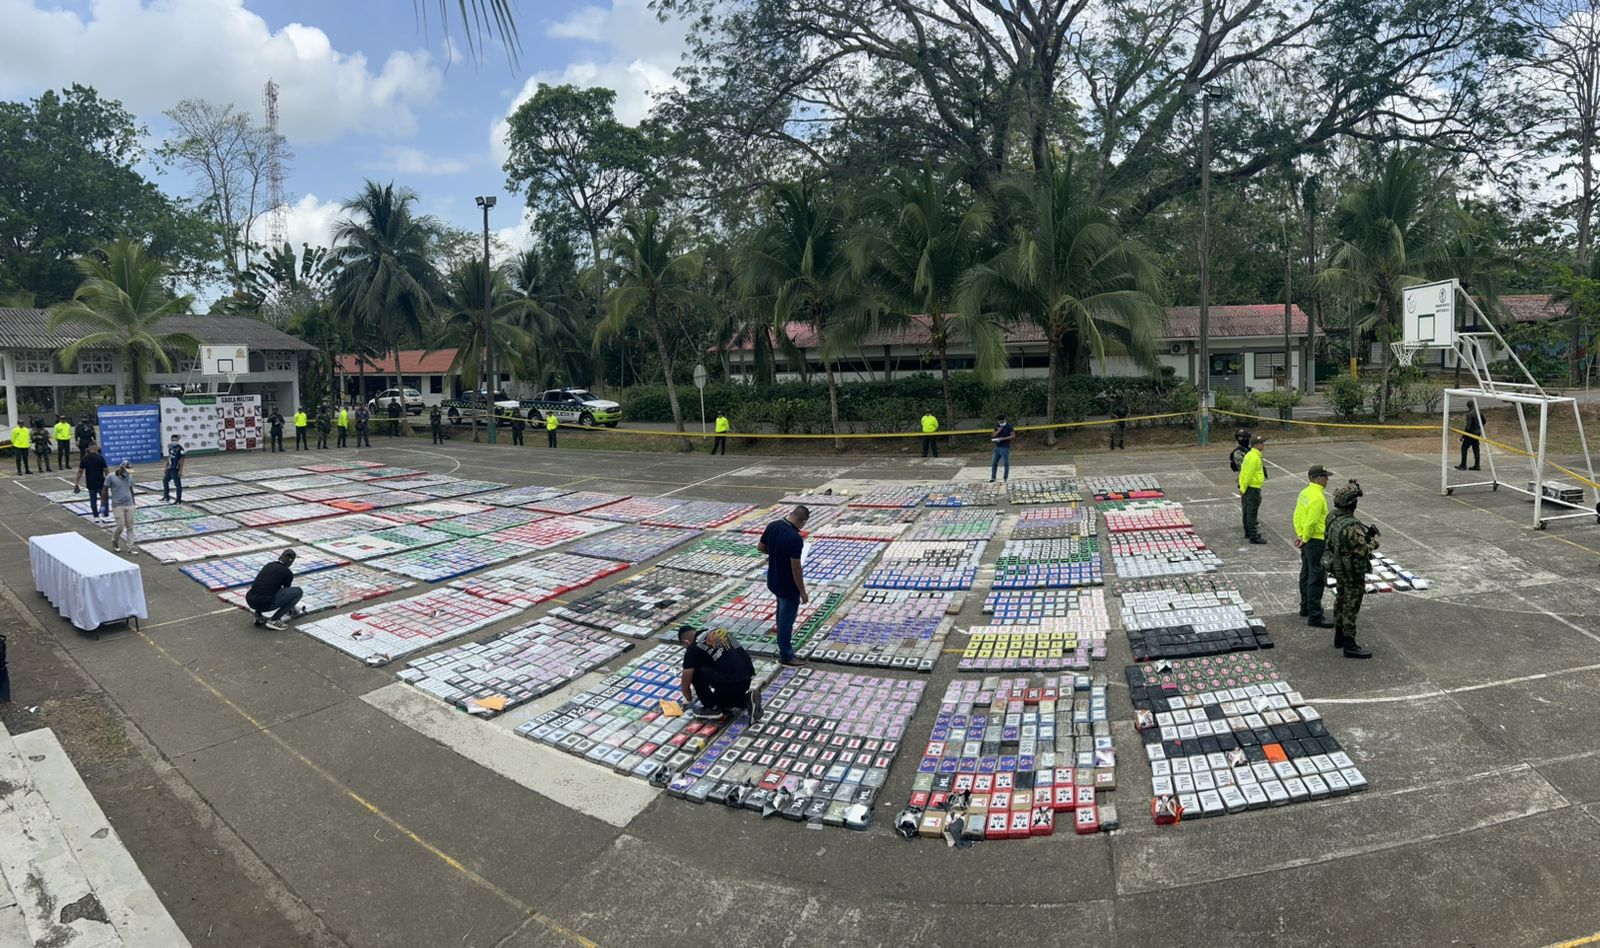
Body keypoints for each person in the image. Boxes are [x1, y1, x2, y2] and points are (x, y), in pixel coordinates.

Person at [1323, 481, 1379, 659]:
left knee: (1340, 598)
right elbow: (1362, 550)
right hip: (1352, 571)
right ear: (1352, 504)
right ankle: (1349, 644)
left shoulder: (1331, 517)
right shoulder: (1352, 526)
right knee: (1351, 605)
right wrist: (1373, 543)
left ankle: (1339, 636)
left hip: (1337, 566)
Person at [757, 505, 811, 667]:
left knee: (781, 615)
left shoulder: (773, 525)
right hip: (787, 586)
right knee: (786, 622)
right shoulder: (795, 538)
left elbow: (760, 547)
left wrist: (776, 554)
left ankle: (782, 645)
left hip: (773, 580)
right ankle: (786, 656)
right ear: (803, 521)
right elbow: (795, 568)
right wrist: (802, 592)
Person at [676, 625, 761, 723]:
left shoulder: (693, 648)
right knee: (720, 700)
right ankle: (747, 700)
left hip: (731, 681)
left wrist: (688, 698)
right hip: (747, 676)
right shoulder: (716, 630)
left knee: (694, 672)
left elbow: (686, 681)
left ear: (686, 643)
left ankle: (711, 708)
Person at [1294, 465, 1335, 630]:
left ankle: (1305, 607)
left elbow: (1297, 515)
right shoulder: (1318, 497)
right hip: (1316, 540)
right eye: (1325, 476)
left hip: (1306, 539)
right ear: (1318, 478)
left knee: (1306, 574)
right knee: (1317, 578)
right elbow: (1312, 521)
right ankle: (1315, 615)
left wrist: (1300, 535)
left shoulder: (1304, 492)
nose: (1327, 479)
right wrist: (1306, 537)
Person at [245, 549, 304, 631]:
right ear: (291, 563)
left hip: (250, 600)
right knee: (298, 592)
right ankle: (274, 620)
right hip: (265, 604)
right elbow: (287, 592)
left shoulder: (268, 565)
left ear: (280, 557)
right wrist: (293, 609)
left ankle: (258, 616)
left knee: (264, 589)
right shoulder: (288, 573)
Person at [1238, 435, 1267, 544]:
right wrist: (1243, 488)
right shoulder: (1254, 457)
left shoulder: (1249, 455)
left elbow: (1243, 472)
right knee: (1252, 512)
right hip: (1252, 488)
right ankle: (1253, 535)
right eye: (1262, 443)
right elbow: (1249, 474)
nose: (1264, 445)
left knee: (1246, 510)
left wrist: (1242, 487)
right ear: (1257, 445)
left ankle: (1248, 532)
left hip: (1247, 487)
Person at [107, 460, 138, 555]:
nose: (128, 473)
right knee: (120, 526)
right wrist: (104, 504)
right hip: (117, 505)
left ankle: (130, 548)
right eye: (127, 471)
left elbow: (130, 489)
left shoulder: (130, 477)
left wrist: (133, 502)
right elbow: (105, 489)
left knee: (130, 527)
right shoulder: (111, 477)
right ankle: (114, 540)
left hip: (129, 504)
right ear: (122, 469)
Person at [74, 442, 109, 524]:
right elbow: (106, 471)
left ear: (88, 449)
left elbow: (80, 471)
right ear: (96, 448)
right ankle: (104, 515)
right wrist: (110, 481)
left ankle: (96, 516)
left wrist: (77, 482)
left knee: (93, 500)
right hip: (101, 482)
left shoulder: (85, 458)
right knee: (104, 499)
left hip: (90, 482)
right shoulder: (100, 458)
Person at [1457, 399, 1482, 471]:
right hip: (1477, 433)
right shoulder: (1478, 412)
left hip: (1471, 434)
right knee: (1476, 448)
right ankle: (1477, 465)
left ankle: (1463, 465)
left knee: (1464, 448)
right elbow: (1484, 421)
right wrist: (1478, 427)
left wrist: (1463, 436)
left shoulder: (1469, 414)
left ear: (1468, 406)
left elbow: (1468, 426)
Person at [990, 414, 1015, 482]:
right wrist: (998, 431)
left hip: (1005, 447)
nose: (1001, 423)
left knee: (1006, 463)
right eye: (1000, 422)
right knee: (994, 463)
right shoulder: (997, 426)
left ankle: (1005, 478)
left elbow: (1013, 436)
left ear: (1005, 420)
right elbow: (993, 435)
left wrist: (1003, 439)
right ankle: (993, 477)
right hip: (997, 447)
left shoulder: (1009, 426)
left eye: (1002, 422)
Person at [160, 434, 184, 503]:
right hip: (169, 468)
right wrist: (166, 467)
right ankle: (166, 496)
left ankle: (178, 499)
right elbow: (169, 457)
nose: (174, 441)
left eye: (175, 440)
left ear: (178, 440)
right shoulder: (170, 447)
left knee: (177, 484)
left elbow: (182, 460)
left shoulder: (180, 449)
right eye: (173, 440)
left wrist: (180, 470)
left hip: (175, 468)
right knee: (165, 481)